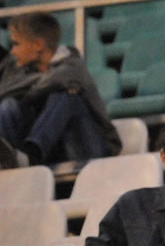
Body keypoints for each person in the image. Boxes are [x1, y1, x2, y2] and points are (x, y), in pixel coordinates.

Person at [0, 12, 120, 168]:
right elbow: (4, 92)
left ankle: (32, 153)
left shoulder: (73, 64)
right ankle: (9, 161)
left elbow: (60, 78)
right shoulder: (22, 70)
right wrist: (37, 87)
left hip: (91, 148)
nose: (13, 52)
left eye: (17, 44)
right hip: (52, 151)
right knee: (8, 105)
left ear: (37, 45)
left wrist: (28, 90)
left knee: (66, 97)